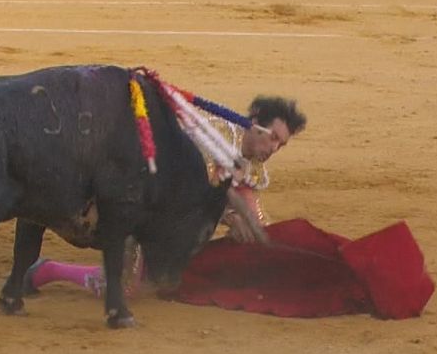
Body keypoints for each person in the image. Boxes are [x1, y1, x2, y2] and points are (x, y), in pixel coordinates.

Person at [22, 95, 308, 296]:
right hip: (138, 200)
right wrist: (231, 216)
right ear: (254, 121)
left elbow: (253, 215)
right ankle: (47, 271)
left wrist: (259, 232)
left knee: (159, 283)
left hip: (166, 220)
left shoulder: (253, 169)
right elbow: (195, 189)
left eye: (281, 144)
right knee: (125, 287)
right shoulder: (213, 134)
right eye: (272, 137)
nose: (273, 148)